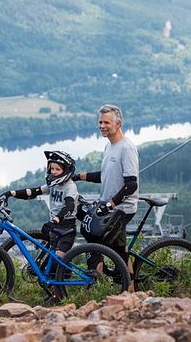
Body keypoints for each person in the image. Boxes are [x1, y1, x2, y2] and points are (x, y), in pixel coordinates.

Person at [74, 104, 139, 268]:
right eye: (100, 122)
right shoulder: (109, 146)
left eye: (106, 123)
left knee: (94, 238)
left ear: (118, 124)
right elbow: (104, 175)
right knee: (119, 250)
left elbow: (131, 185)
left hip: (121, 209)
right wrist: (78, 176)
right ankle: (129, 284)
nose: (102, 126)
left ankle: (95, 281)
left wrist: (110, 204)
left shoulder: (127, 148)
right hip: (109, 206)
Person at [0, 150, 80, 258]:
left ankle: (64, 274)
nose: (53, 172)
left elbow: (69, 206)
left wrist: (56, 220)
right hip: (54, 225)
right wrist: (11, 193)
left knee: (58, 260)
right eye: (52, 168)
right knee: (50, 262)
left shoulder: (70, 187)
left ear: (66, 171)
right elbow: (33, 192)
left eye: (57, 169)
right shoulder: (53, 185)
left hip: (66, 229)